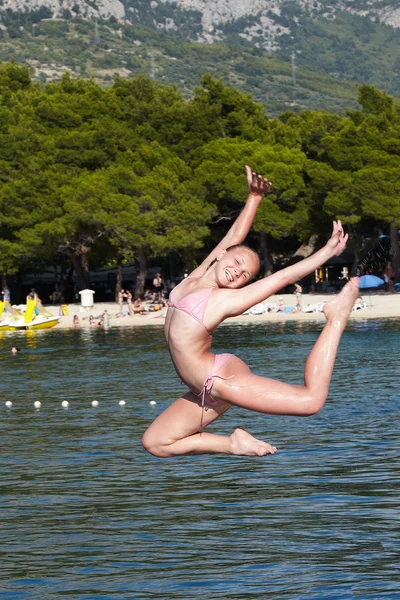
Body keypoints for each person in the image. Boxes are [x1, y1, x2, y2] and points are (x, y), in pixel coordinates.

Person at [142, 165, 358, 458]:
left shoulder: (223, 301)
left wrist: (326, 252)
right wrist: (255, 198)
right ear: (221, 255)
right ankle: (232, 444)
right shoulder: (193, 278)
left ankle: (335, 318)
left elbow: (281, 278)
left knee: (310, 401)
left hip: (219, 381)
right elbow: (234, 234)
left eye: (245, 275)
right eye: (237, 262)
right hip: (203, 392)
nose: (237, 272)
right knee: (156, 442)